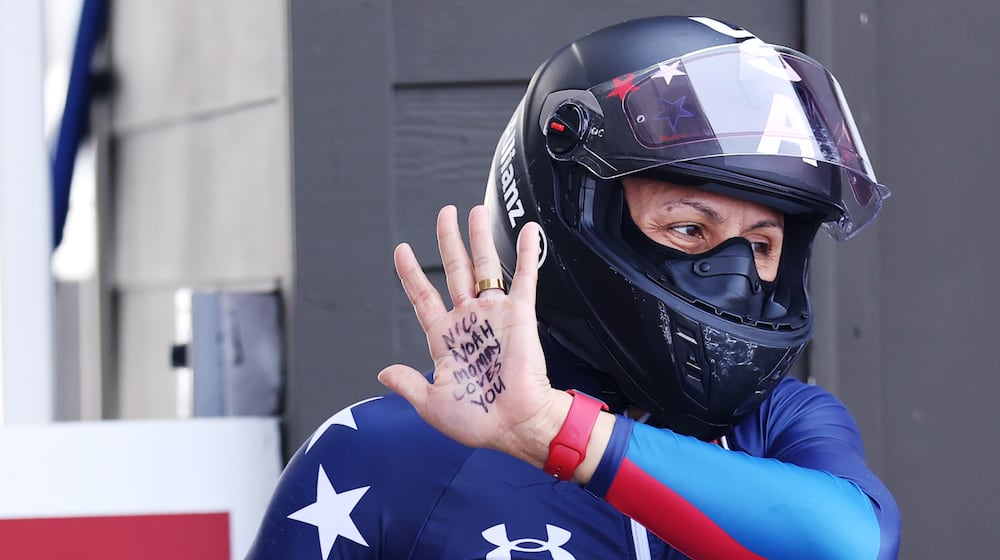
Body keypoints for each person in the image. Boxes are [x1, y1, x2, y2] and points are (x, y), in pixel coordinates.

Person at [246, 16, 901, 560]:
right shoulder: (387, 452)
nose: (734, 276)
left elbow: (845, 544)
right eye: (689, 228)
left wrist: (552, 430)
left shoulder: (782, 423)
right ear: (571, 216)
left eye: (761, 244)